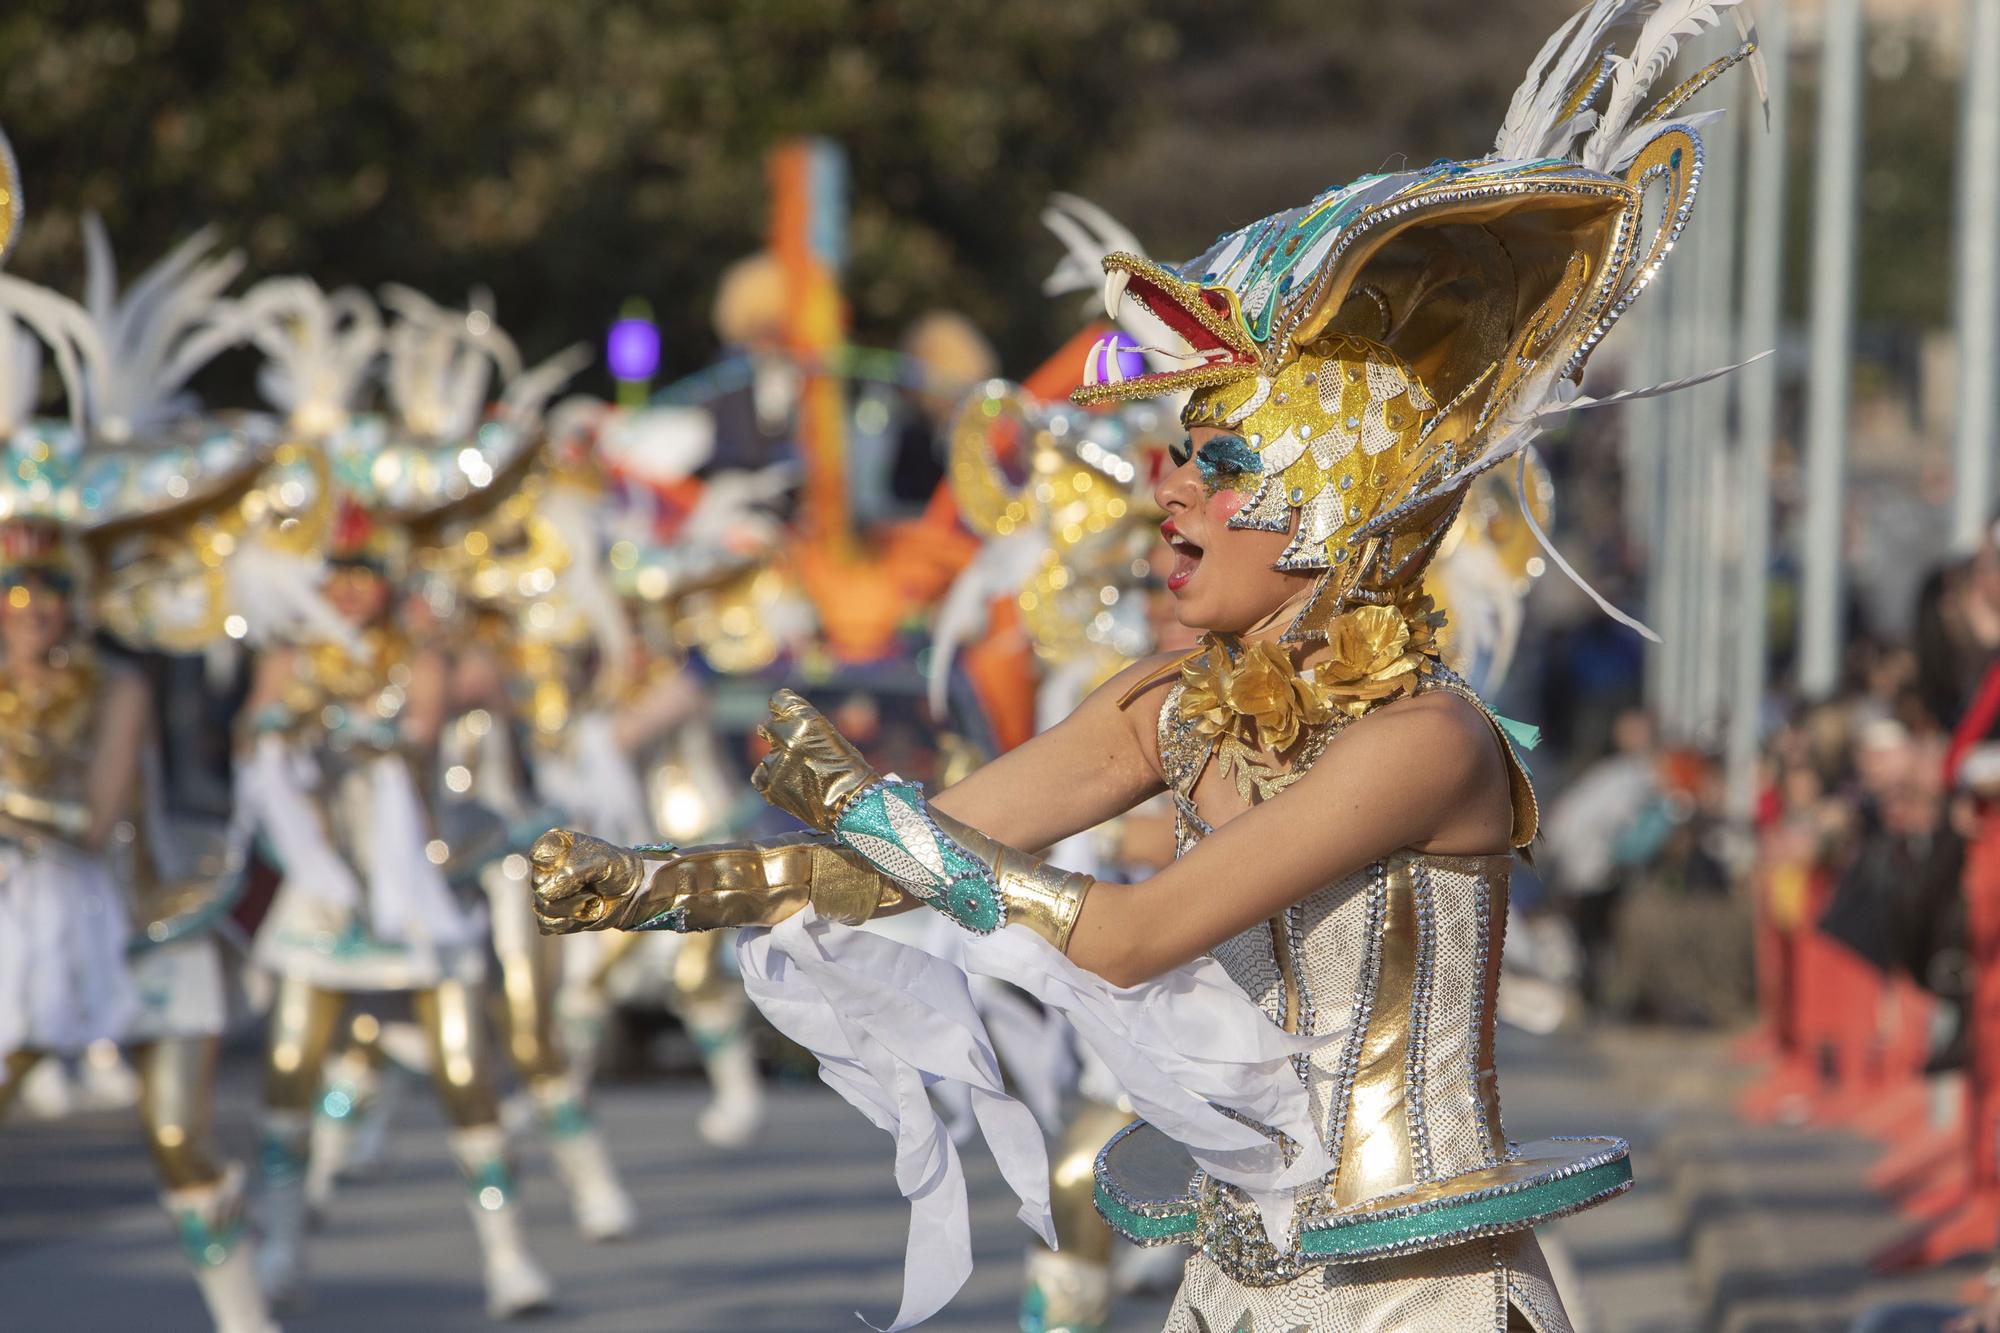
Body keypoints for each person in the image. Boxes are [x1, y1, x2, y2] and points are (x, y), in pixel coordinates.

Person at [527, 2, 1752, 1325]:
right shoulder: (1173, 709)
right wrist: (654, 885)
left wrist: (868, 807)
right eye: (1173, 455)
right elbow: (900, 859)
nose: (1165, 495)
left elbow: (1124, 936)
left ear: (1330, 499)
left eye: (1215, 464)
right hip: (1231, 1285)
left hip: (1420, 1294)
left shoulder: (1427, 741)